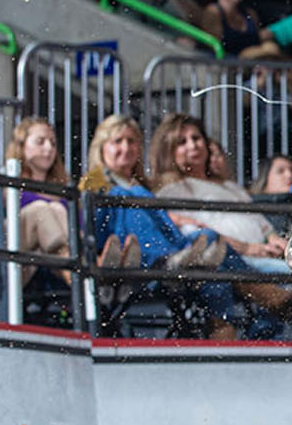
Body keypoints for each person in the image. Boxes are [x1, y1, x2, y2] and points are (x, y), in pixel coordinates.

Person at [146, 113, 292, 339]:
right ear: (169, 150)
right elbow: (199, 237)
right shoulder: (172, 192)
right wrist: (251, 249)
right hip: (235, 260)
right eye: (182, 142)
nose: (193, 145)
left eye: (196, 138)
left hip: (264, 256)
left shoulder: (231, 187)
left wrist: (277, 242)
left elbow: (263, 226)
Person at [83, 114, 255, 335]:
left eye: (131, 141)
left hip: (162, 251)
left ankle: (225, 320)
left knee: (209, 239)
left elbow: (160, 220)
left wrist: (182, 221)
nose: (126, 148)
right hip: (123, 251)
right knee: (126, 195)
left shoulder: (143, 184)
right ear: (101, 148)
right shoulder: (94, 180)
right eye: (118, 141)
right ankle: (257, 302)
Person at [6, 117, 74, 287]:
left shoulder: (64, 187)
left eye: (53, 143)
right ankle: (82, 277)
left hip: (47, 261)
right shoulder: (9, 183)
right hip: (20, 256)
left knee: (57, 209)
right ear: (21, 145)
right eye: (40, 142)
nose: (49, 148)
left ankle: (83, 274)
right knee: (41, 209)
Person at [199, 0, 279, 58]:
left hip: (252, 61)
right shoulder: (212, 12)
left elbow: (258, 42)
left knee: (271, 47)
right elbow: (214, 47)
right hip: (227, 62)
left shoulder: (250, 13)